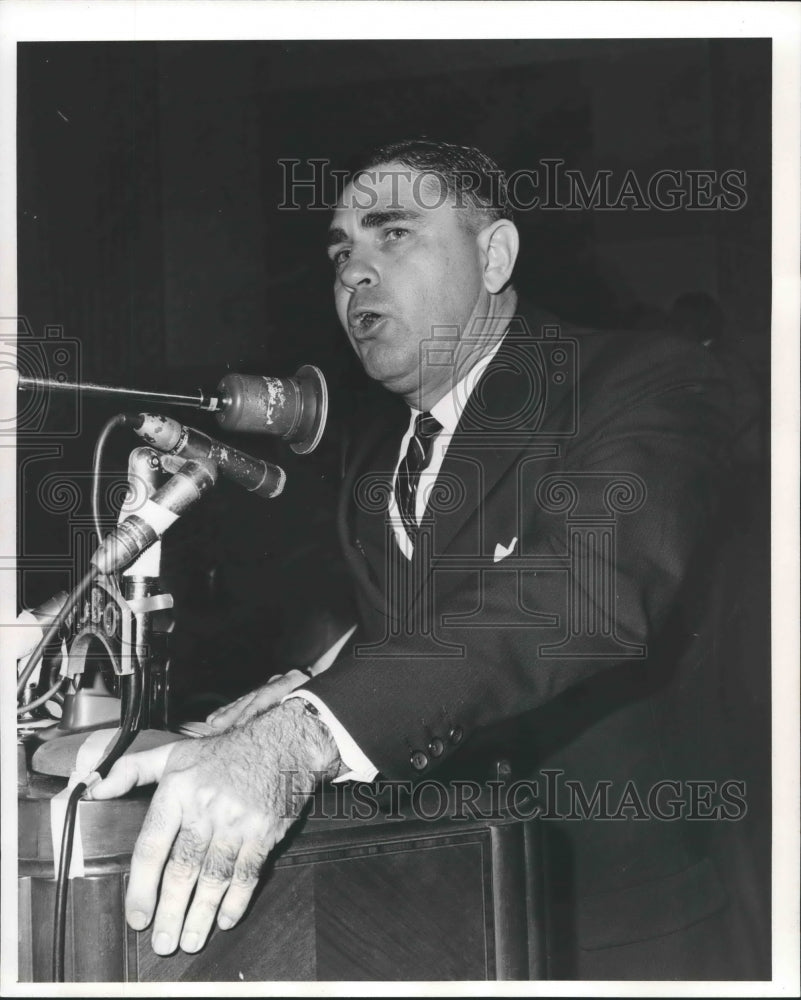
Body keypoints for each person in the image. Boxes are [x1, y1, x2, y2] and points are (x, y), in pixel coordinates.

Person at [90, 139, 765, 979]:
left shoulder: (641, 380)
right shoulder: (375, 467)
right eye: (341, 252)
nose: (353, 274)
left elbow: (578, 595)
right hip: (440, 921)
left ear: (494, 256)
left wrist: (301, 739)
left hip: (621, 937)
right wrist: (279, 705)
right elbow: (423, 642)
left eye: (393, 234)